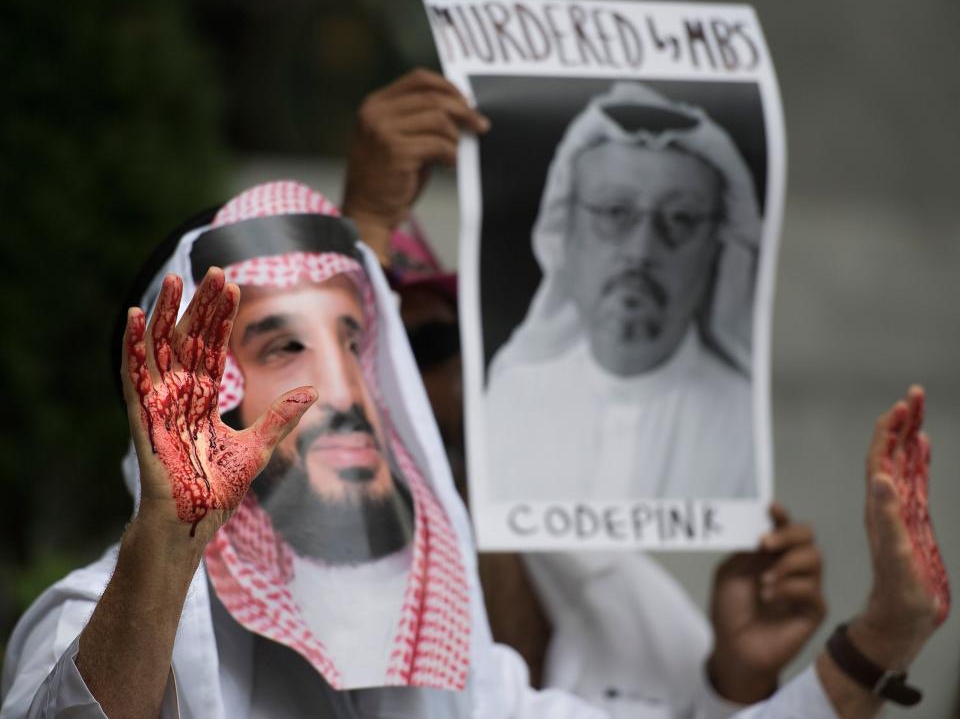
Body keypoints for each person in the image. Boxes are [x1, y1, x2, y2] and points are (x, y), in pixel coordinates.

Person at [0, 175, 951, 718]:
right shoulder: (88, 619)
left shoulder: (439, 666)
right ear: (192, 389)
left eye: (355, 344)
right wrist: (167, 542)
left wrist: (885, 634)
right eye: (285, 344)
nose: (344, 390)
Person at [337, 69, 948, 717]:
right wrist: (363, 223)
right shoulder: (265, 589)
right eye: (614, 214)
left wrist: (733, 679)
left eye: (432, 347)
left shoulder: (616, 586)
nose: (415, 388)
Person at [482, 81, 762, 501]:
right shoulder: (506, 404)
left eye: (680, 219)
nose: (641, 252)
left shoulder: (745, 424)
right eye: (615, 212)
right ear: (567, 234)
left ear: (714, 249)